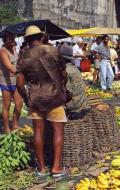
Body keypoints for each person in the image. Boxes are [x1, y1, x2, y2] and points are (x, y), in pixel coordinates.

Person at [17, 26, 68, 178]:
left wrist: (27, 99)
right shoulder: (53, 50)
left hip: (36, 99)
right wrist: (61, 85)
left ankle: (41, 169)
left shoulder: (23, 57)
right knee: (58, 131)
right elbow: (64, 74)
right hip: (54, 97)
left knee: (38, 132)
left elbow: (20, 84)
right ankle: (56, 167)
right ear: (41, 36)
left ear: (27, 40)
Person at [0, 32, 23, 133]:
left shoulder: (14, 49)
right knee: (7, 105)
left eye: (13, 38)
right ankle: (6, 128)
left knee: (19, 104)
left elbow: (16, 63)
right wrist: (21, 73)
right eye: (9, 39)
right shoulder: (2, 51)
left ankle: (15, 124)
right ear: (4, 41)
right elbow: (9, 66)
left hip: (16, 81)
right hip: (6, 81)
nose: (12, 41)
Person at [59, 44, 89, 114]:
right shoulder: (75, 68)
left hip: (74, 106)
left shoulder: (65, 71)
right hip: (83, 103)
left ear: (61, 58)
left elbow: (69, 94)